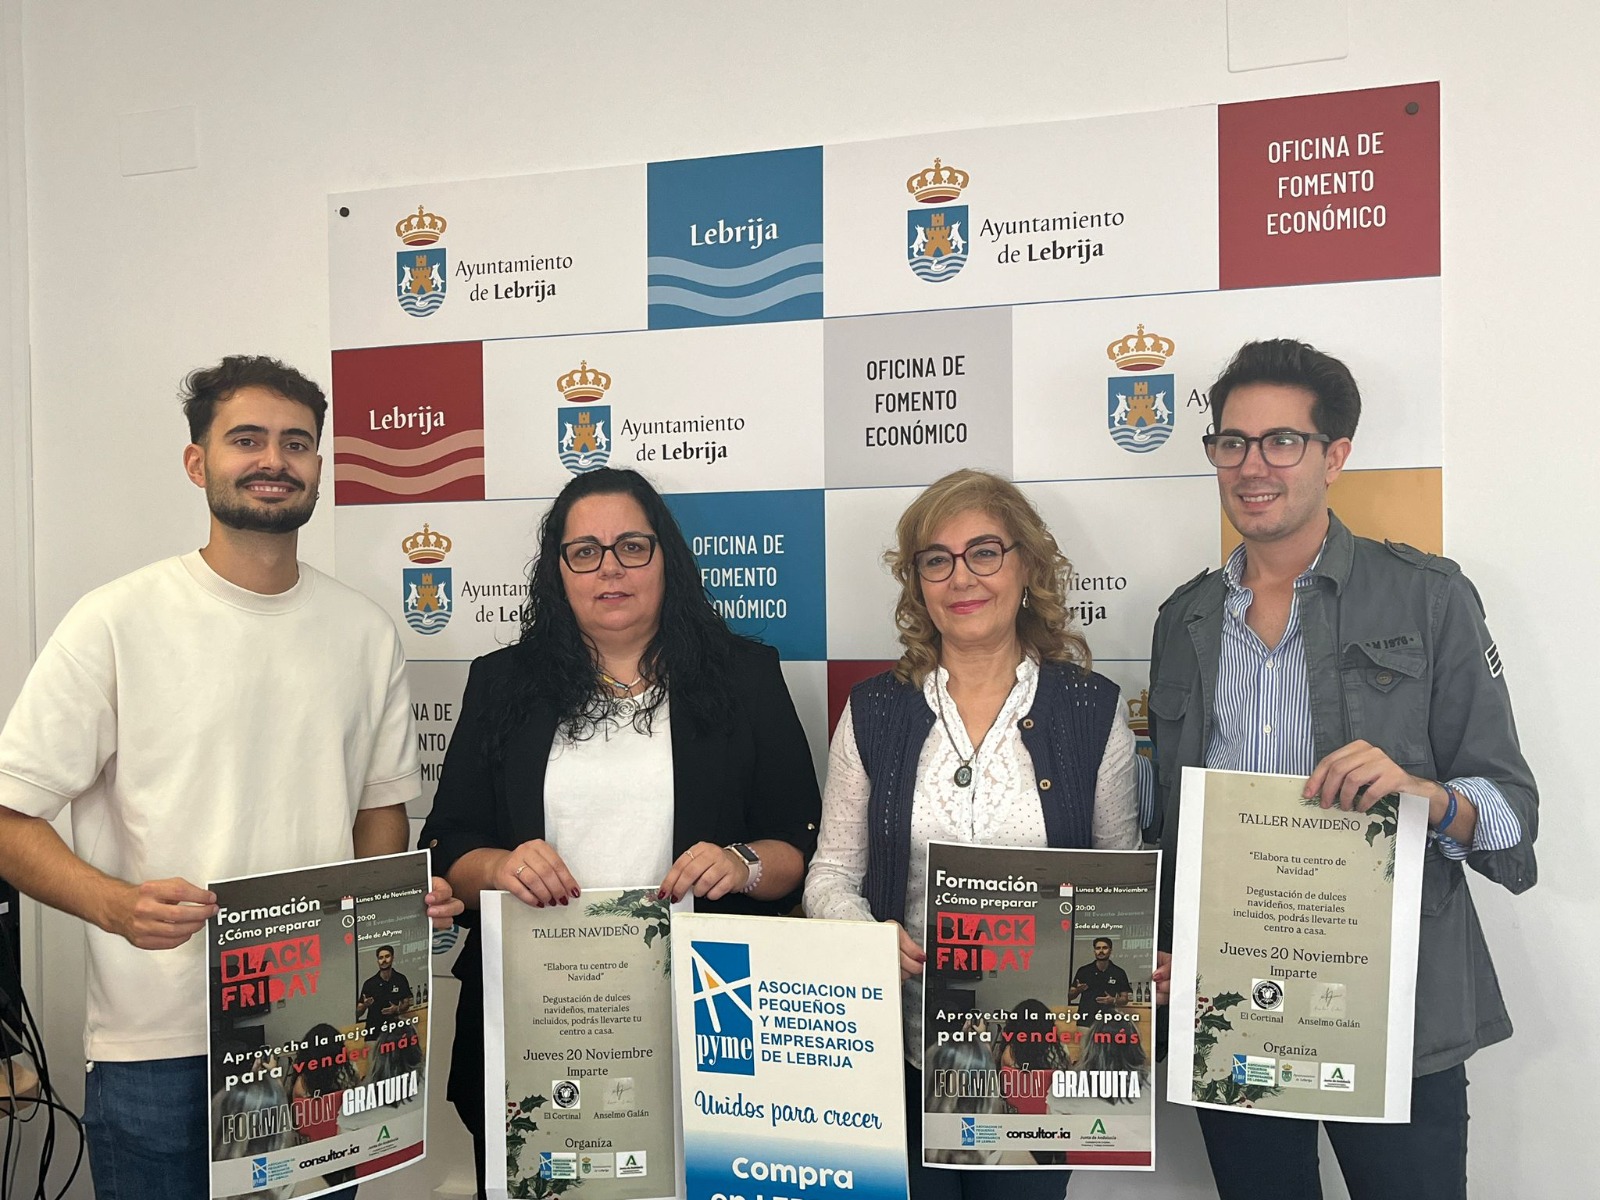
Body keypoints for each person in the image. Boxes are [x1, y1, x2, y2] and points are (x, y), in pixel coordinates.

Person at [0, 355, 462, 1200]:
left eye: (297, 443)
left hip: (314, 1035)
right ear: (197, 461)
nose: (273, 460)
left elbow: (379, 811)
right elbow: (8, 818)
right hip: (159, 1046)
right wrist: (113, 904)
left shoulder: (363, 632)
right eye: (246, 439)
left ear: (318, 464)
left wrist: (390, 904)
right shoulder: (115, 620)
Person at [1147, 339, 1538, 1200]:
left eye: (1282, 441)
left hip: (1393, 1007)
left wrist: (1430, 798)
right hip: (1234, 1008)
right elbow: (1166, 825)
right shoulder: (1184, 619)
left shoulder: (1429, 598)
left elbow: (1512, 810)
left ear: (1334, 456)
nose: (1252, 466)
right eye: (1232, 442)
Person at [418, 466, 820, 1198]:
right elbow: (448, 845)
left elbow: (800, 845)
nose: (610, 568)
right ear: (558, 571)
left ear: (667, 559)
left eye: (632, 546)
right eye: (585, 552)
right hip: (535, 1021)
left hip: (707, 1019)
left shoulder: (745, 675)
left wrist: (743, 863)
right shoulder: (503, 682)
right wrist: (500, 866)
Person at [804, 467, 1143, 1200]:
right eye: (937, 559)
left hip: (1035, 1065)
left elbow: (1119, 884)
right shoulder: (874, 711)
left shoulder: (1091, 711)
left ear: (1027, 566)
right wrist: (863, 936)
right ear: (918, 583)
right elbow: (829, 874)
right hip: (899, 1050)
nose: (962, 577)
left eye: (985, 552)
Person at [355, 944, 413, 1043]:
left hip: (394, 1031)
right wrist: (365, 1005)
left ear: (393, 958)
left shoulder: (400, 979)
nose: (384, 960)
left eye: (387, 956)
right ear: (377, 961)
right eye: (381, 958)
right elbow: (357, 1013)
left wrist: (397, 1009)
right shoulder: (369, 984)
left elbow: (407, 1003)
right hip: (373, 1032)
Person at [1068, 937, 1131, 1026]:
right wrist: (1078, 990)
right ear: (1094, 951)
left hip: (1109, 1021)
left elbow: (1125, 999)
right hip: (1085, 1020)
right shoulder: (1084, 971)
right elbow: (1070, 996)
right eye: (1098, 948)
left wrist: (1113, 1000)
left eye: (1104, 948)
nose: (1101, 951)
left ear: (1110, 950)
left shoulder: (1119, 972)